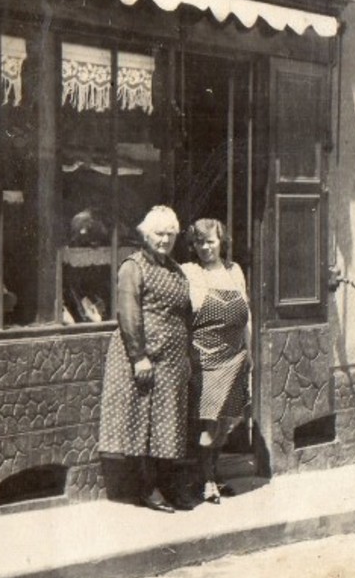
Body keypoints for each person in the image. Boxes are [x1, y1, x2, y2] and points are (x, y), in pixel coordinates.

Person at [98, 205, 193, 512]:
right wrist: (139, 357)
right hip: (144, 357)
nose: (164, 240)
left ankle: (168, 486)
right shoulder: (133, 266)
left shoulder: (175, 269)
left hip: (173, 360)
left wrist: (187, 356)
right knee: (142, 422)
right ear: (145, 235)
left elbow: (184, 314)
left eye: (170, 234)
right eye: (158, 234)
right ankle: (147, 488)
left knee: (168, 424)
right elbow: (128, 312)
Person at [182, 218, 252, 504]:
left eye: (210, 241)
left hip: (234, 356)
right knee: (209, 422)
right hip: (205, 358)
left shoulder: (234, 271)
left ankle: (210, 473)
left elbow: (247, 313)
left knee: (227, 420)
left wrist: (251, 354)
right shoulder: (189, 272)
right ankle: (208, 479)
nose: (205, 247)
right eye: (199, 242)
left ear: (222, 242)